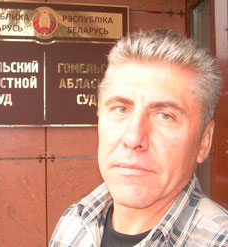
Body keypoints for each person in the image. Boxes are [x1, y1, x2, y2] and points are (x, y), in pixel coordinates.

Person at [49, 29, 228, 247]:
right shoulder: (75, 221)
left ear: (204, 141)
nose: (134, 138)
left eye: (165, 116)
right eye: (121, 109)